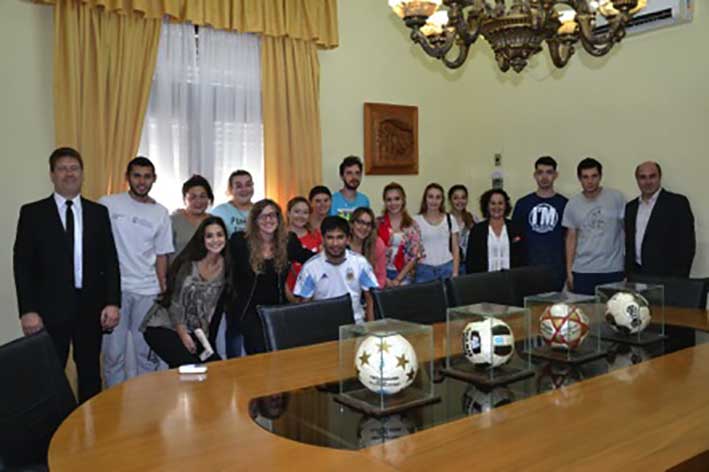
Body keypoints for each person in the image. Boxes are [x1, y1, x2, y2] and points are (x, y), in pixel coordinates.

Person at [13, 147, 120, 403]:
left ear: (82, 174)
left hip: (91, 308)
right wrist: (27, 310)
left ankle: (92, 433)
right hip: (48, 311)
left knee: (90, 374)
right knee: (48, 376)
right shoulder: (33, 213)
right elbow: (22, 265)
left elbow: (110, 260)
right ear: (52, 174)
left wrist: (113, 302)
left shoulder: (98, 213)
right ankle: (49, 434)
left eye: (74, 168)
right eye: (62, 168)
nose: (69, 173)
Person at [99, 157, 174, 386]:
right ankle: (113, 404)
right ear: (128, 177)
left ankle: (146, 405)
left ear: (154, 179)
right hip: (114, 292)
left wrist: (163, 291)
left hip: (148, 292)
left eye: (147, 176)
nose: (142, 181)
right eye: (137, 175)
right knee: (113, 355)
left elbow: (162, 255)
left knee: (146, 353)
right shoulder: (107, 204)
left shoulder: (160, 213)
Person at [226, 199, 314, 356]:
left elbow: (311, 260)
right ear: (254, 220)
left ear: (279, 218)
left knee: (278, 356)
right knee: (257, 356)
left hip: (277, 310)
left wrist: (338, 253)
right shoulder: (240, 241)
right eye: (263, 216)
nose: (268, 220)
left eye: (272, 215)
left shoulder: (289, 242)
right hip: (248, 311)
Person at [141, 217, 228, 368]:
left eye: (219, 235)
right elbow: (176, 304)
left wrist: (207, 343)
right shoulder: (189, 264)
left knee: (216, 368)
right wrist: (183, 334)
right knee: (192, 369)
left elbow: (215, 311)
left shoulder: (227, 265)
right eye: (209, 236)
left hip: (196, 331)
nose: (215, 240)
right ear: (202, 239)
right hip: (164, 325)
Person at [294, 216, 379, 323]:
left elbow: (371, 297)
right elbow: (303, 306)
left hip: (355, 325)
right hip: (322, 326)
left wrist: (371, 329)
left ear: (348, 239)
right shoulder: (310, 268)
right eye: (330, 238)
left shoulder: (360, 263)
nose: (335, 243)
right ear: (322, 239)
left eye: (340, 237)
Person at [562, 158, 626, 295]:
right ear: (579, 178)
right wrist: (569, 271)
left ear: (600, 176)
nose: (590, 181)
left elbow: (626, 231)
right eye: (585, 177)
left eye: (594, 176)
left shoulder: (617, 198)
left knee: (613, 314)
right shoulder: (572, 204)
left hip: (612, 270)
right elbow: (571, 238)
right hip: (583, 270)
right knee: (585, 313)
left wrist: (627, 266)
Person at [625, 161, 695, 277]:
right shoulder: (630, 208)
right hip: (637, 276)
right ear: (637, 180)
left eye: (652, 176)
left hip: (668, 277)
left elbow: (687, 245)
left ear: (659, 177)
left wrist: (679, 278)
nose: (648, 182)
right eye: (643, 177)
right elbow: (629, 245)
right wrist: (629, 273)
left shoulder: (677, 203)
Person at [512, 156, 568, 290]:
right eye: (540, 172)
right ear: (534, 175)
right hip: (528, 269)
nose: (544, 177)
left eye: (549, 172)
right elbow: (514, 237)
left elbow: (569, 239)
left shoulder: (565, 204)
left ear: (555, 175)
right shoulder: (523, 204)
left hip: (556, 270)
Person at [465, 189, 526, 273]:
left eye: (500, 203)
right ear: (487, 206)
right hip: (485, 281)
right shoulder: (477, 230)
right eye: (492, 203)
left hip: (512, 281)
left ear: (505, 206)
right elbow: (471, 261)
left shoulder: (516, 228)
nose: (496, 207)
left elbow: (523, 258)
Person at [377, 182, 423, 287]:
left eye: (397, 199)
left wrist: (398, 279)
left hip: (405, 275)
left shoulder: (412, 225)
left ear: (403, 200)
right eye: (389, 199)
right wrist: (384, 278)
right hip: (382, 274)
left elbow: (414, 256)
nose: (393, 203)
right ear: (384, 202)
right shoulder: (378, 224)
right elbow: (371, 252)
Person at [414, 183, 460, 283]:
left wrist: (455, 272)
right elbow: (412, 247)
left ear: (442, 200)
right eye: (430, 197)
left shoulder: (450, 219)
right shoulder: (416, 221)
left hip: (447, 268)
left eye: (438, 197)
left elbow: (455, 248)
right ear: (425, 199)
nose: (434, 201)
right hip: (424, 270)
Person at [171, 175, 214, 260]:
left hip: (210, 272)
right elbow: (163, 254)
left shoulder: (214, 222)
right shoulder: (173, 221)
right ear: (184, 199)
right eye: (193, 197)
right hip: (179, 272)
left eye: (202, 196)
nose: (198, 201)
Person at [285, 196, 322, 294]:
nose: (301, 216)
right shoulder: (281, 238)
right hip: (287, 293)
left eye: (305, 213)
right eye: (297, 211)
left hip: (313, 292)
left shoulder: (317, 236)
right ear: (288, 213)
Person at [349, 207, 387, 287]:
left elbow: (381, 276)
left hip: (369, 290)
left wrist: (376, 296)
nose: (364, 227)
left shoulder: (377, 244)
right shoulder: (342, 242)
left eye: (368, 224)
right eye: (360, 222)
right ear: (352, 223)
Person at [211, 170, 254, 238]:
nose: (244, 189)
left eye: (248, 185)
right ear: (230, 189)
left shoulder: (261, 210)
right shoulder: (219, 212)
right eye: (239, 186)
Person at [330, 155, 370, 220]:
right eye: (349, 173)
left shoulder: (364, 201)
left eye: (357, 173)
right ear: (342, 176)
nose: (354, 177)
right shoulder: (332, 200)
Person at [448, 184, 477, 274]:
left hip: (469, 265)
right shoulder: (444, 220)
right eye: (456, 198)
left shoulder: (473, 219)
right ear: (450, 200)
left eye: (463, 197)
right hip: (450, 266)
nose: (460, 201)